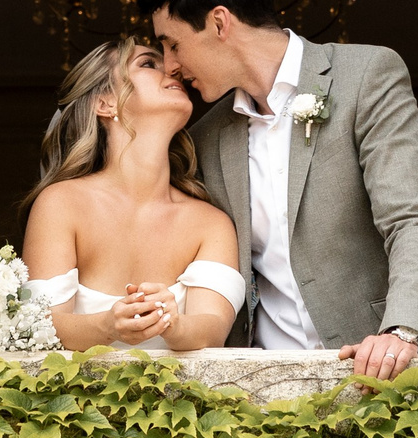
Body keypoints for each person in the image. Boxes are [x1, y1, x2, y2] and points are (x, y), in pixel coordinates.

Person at [144, 0, 418, 377]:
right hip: (259, 389)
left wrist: (401, 332)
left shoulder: (366, 76)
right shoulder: (204, 137)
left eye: (172, 44)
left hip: (384, 375)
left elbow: (413, 220)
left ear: (218, 22)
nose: (170, 65)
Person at [20, 36, 247, 351]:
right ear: (105, 102)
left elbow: (213, 329)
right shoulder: (60, 204)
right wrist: (109, 325)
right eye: (148, 64)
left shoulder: (211, 223)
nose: (172, 70)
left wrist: (173, 323)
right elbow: (38, 326)